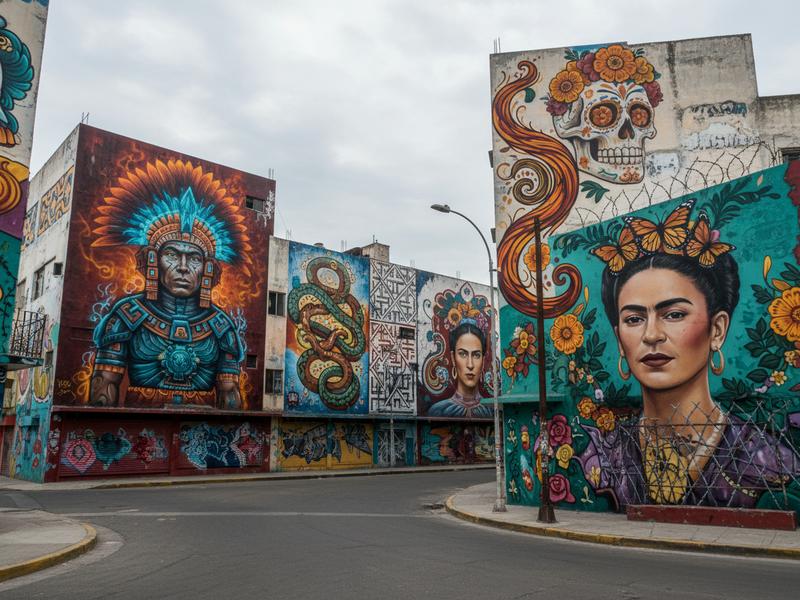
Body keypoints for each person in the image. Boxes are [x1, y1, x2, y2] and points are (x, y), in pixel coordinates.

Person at [579, 208, 800, 509]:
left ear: (717, 329)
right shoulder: (606, 455)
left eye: (674, 314)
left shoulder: (764, 461)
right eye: (634, 319)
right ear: (619, 339)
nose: (652, 335)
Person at [88, 160, 247, 410]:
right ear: (153, 261)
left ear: (207, 269)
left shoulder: (221, 327)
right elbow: (104, 385)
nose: (183, 267)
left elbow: (230, 394)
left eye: (194, 258)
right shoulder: (126, 316)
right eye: (172, 255)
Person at [428, 320, 493, 418]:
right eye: (463, 354)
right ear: (453, 358)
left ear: (483, 361)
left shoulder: (492, 411)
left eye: (476, 355)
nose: (470, 365)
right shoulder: (438, 411)